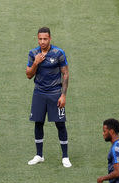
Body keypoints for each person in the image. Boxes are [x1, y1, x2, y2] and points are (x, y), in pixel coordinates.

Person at [26, 27, 71, 168]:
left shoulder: (59, 53)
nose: (42, 42)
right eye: (40, 39)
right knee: (38, 123)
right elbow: (28, 75)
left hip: (55, 93)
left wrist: (63, 95)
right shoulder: (33, 53)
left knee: (60, 124)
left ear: (50, 38)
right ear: (37, 39)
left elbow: (65, 74)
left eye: (45, 39)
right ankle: (39, 155)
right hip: (39, 93)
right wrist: (35, 62)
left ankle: (65, 157)